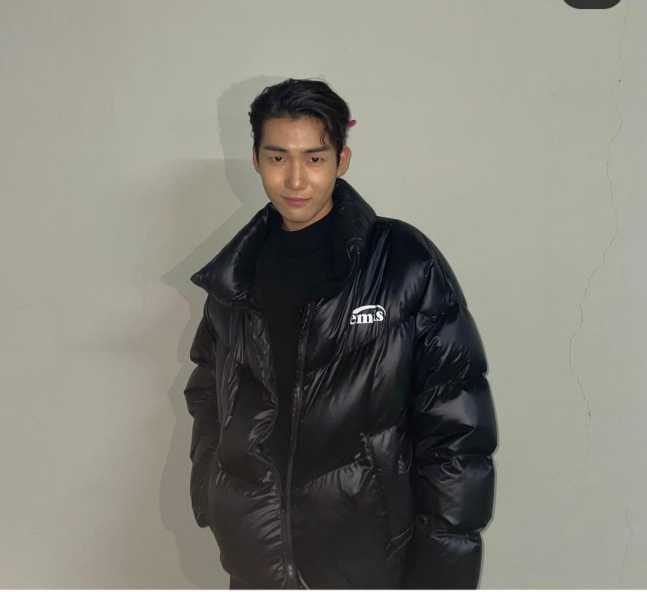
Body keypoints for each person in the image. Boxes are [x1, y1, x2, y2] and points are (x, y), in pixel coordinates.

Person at [183, 78, 498, 589]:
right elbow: (208, 396)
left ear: (341, 161)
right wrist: (213, 492)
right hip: (257, 557)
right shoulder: (235, 279)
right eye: (278, 158)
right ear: (257, 160)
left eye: (314, 158)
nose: (295, 179)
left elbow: (457, 425)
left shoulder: (401, 262)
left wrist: (442, 570)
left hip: (371, 556)